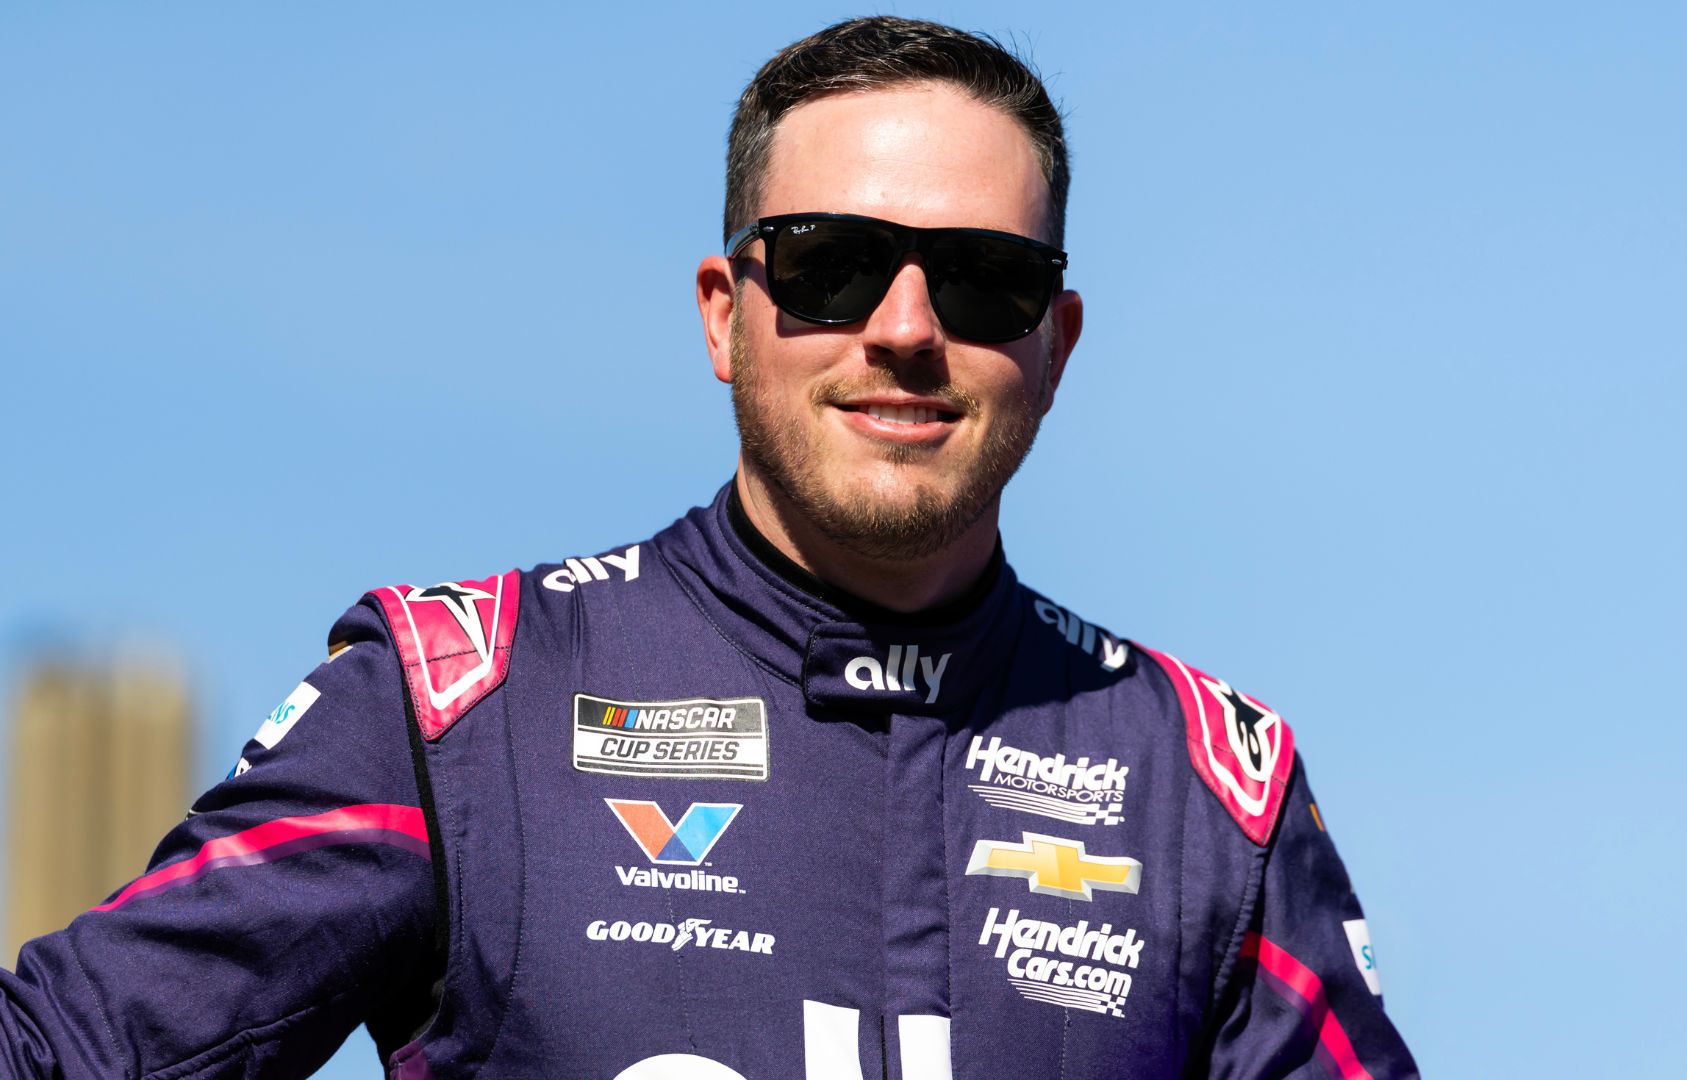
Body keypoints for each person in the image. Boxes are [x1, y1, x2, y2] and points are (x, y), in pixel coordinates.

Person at [0, 17, 1419, 1079]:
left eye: (984, 279)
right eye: (828, 265)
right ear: (722, 316)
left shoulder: (1210, 792)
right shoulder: (459, 706)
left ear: (1056, 346)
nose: (907, 329)